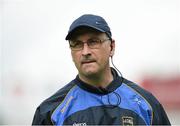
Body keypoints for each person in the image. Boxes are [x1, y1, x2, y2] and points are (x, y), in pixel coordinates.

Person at [32, 14, 171, 125]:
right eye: (77, 44)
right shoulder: (51, 112)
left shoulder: (146, 105)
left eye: (93, 42)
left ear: (112, 47)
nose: (85, 51)